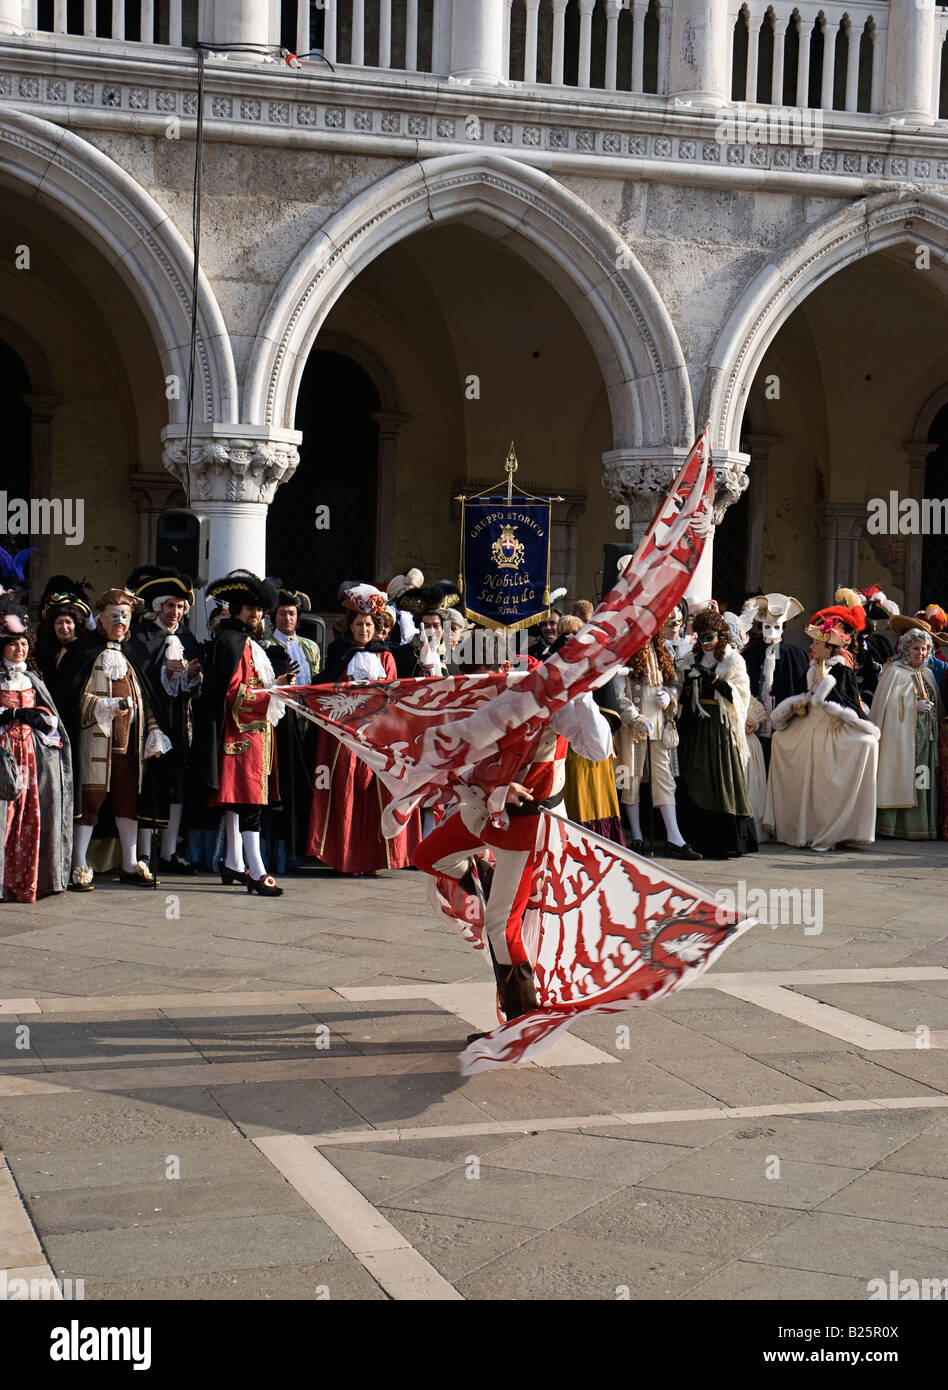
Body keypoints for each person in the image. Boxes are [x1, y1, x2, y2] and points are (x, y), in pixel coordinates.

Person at [413, 630, 614, 1026]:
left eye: (485, 677)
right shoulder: (476, 694)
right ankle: (485, 876)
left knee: (501, 926)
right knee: (427, 855)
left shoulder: (549, 696)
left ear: (506, 668)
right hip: (486, 810)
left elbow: (598, 749)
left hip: (530, 823)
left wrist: (582, 692)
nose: (477, 688)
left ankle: (522, 1018)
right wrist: (489, 783)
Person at [52, 587, 169, 890]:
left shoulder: (134, 656)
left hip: (131, 743)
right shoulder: (82, 652)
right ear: (100, 619)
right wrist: (102, 706)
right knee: (90, 800)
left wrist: (154, 729)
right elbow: (70, 696)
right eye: (113, 616)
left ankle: (129, 863)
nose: (119, 621)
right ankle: (78, 862)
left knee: (128, 800)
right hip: (95, 739)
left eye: (125, 616)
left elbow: (146, 697)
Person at [192, 570, 295, 896]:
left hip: (253, 736)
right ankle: (257, 870)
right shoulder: (231, 642)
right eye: (251, 609)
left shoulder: (242, 642)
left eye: (259, 609)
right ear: (236, 610)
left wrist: (274, 686)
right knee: (250, 806)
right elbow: (235, 695)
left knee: (238, 805)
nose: (257, 614)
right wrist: (272, 694)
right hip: (241, 736)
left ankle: (234, 863)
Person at [307, 589, 422, 874]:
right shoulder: (339, 654)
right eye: (359, 624)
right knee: (344, 789)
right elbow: (329, 690)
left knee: (376, 792)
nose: (364, 629)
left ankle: (373, 858)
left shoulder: (386, 657)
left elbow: (392, 694)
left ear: (377, 626)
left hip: (376, 734)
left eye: (369, 624)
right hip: (343, 734)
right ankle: (344, 856)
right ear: (349, 626)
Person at [764, 607, 880, 852]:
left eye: (816, 643)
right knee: (780, 742)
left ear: (829, 647)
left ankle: (830, 829)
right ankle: (804, 828)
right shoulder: (815, 667)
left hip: (832, 728)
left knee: (856, 752)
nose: (812, 647)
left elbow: (847, 702)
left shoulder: (841, 670)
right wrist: (798, 707)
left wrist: (826, 699)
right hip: (811, 726)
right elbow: (809, 696)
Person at [126, 566, 203, 874]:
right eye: (170, 605)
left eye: (180, 607)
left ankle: (169, 852)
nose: (175, 612)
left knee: (177, 784)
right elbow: (138, 676)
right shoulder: (141, 638)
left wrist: (191, 676)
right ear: (158, 606)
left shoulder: (187, 639)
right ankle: (144, 853)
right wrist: (165, 675)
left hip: (179, 722)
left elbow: (194, 688)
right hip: (151, 721)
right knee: (149, 783)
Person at [0, 603, 72, 902]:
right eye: (14, 644)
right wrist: (11, 713)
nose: (20, 649)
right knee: (5, 818)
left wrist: (40, 717)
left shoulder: (32, 679)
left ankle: (27, 880)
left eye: (24, 643)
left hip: (30, 755)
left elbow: (51, 721)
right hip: (4, 754)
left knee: (30, 816)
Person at [676, 607, 757, 858]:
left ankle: (725, 840)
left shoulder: (732, 659)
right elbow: (681, 691)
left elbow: (741, 694)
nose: (705, 642)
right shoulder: (691, 658)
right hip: (696, 726)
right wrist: (688, 683)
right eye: (700, 637)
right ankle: (697, 838)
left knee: (721, 779)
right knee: (695, 777)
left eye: (709, 636)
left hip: (720, 728)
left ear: (720, 635)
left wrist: (714, 679)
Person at [617, 624, 700, 860]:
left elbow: (674, 681)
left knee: (664, 779)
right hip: (633, 727)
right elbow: (618, 692)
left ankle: (674, 836)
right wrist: (634, 717)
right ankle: (636, 835)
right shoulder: (625, 652)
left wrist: (669, 696)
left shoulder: (662, 648)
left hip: (660, 725)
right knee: (629, 777)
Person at [264, 587, 321, 869]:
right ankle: (281, 850)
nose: (287, 618)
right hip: (281, 723)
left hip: (306, 721)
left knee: (305, 784)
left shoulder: (310, 647)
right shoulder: (266, 646)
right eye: (283, 613)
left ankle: (305, 844)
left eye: (292, 613)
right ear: (274, 616)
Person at [871, 623, 942, 841]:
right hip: (900, 740)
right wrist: (914, 707)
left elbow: (937, 706)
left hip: (925, 742)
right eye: (916, 649)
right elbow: (888, 707)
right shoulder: (894, 673)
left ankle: (921, 825)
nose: (920, 653)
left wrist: (930, 713)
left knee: (922, 779)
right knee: (901, 779)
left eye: (924, 649)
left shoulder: (928, 674)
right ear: (905, 649)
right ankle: (895, 826)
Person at [739, 593, 808, 767]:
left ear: (783, 628)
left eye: (776, 627)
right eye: (767, 627)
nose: (771, 632)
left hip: (784, 726)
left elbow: (803, 690)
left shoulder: (796, 655)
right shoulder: (750, 654)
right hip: (754, 726)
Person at [35, 585, 92, 685]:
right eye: (59, 623)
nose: (64, 627)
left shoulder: (85, 650)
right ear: (52, 626)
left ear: (76, 625)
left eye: (68, 622)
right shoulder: (46, 649)